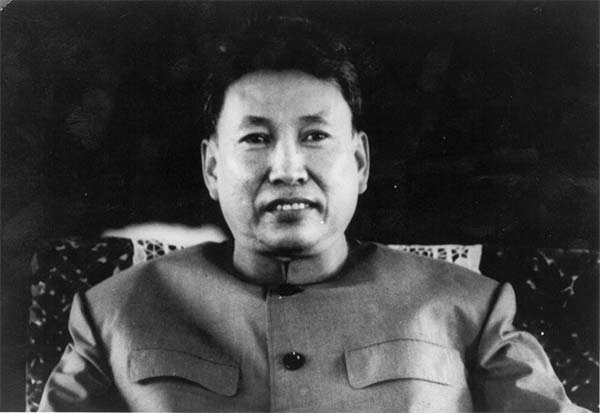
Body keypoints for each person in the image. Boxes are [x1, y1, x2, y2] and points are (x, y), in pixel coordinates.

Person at [39, 16, 589, 412]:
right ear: (212, 167)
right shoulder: (114, 315)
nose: (287, 169)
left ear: (360, 162)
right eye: (255, 138)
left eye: (315, 136)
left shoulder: (470, 310)